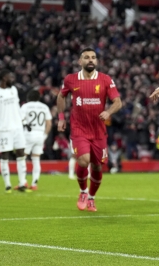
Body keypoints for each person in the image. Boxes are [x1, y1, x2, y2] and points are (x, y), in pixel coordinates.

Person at [57, 47, 122, 212]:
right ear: (80, 61)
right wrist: (61, 118)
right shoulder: (71, 79)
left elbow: (118, 102)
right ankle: (82, 192)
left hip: (99, 132)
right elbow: (61, 96)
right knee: (83, 160)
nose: (90, 60)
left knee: (97, 166)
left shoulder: (106, 79)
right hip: (79, 129)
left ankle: (92, 198)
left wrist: (108, 112)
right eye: (86, 57)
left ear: (97, 61)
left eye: (93, 57)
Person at [0, 69, 31, 193]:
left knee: (21, 153)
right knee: (5, 155)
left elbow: (17, 108)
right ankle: (7, 185)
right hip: (4, 129)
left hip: (18, 127)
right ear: (3, 78)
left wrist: (24, 122)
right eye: (10, 77)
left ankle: (22, 183)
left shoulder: (13, 90)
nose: (12, 79)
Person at [21, 89, 52, 190]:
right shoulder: (45, 107)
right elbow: (49, 124)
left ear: (29, 97)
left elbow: (20, 119)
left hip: (28, 134)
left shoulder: (25, 106)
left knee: (22, 158)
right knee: (36, 159)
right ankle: (34, 184)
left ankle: (23, 182)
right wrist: (45, 136)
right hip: (40, 135)